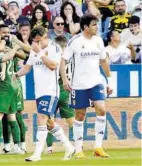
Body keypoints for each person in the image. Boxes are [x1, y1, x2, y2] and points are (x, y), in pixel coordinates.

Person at [15, 26, 75, 162]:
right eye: (34, 41)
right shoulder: (35, 50)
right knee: (49, 123)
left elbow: (53, 66)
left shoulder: (55, 48)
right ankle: (69, 147)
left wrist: (40, 53)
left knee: (42, 117)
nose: (36, 43)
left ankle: (37, 154)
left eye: (38, 40)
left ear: (45, 36)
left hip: (50, 90)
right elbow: (27, 67)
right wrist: (16, 74)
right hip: (39, 91)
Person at [60, 14, 113, 159]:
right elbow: (63, 61)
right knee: (80, 115)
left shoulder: (98, 41)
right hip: (79, 84)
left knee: (101, 109)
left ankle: (98, 147)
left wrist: (109, 80)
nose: (97, 27)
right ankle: (78, 149)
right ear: (85, 27)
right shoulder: (75, 41)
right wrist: (65, 80)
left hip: (96, 82)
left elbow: (103, 61)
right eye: (94, 25)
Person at [45, 35, 75, 154]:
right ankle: (79, 145)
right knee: (71, 120)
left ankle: (49, 148)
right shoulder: (71, 58)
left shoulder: (54, 57)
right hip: (66, 91)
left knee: (48, 119)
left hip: (53, 90)